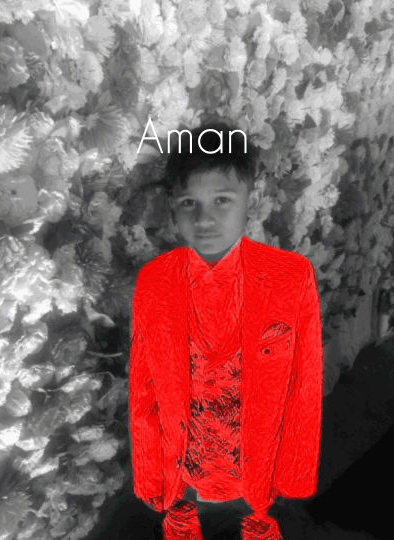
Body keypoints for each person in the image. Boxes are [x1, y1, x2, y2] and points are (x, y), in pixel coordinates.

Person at [128, 120, 323, 539]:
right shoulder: (154, 282)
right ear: (173, 205)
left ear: (251, 197)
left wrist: (293, 478)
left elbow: (304, 383)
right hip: (182, 481)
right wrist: (149, 478)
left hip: (259, 482)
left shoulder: (290, 277)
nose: (205, 219)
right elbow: (143, 388)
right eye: (189, 203)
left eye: (222, 200)